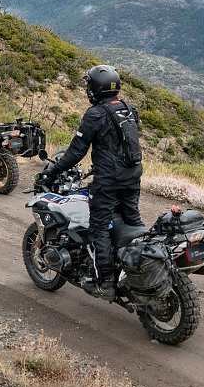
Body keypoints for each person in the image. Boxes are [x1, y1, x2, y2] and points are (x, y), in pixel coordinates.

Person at [37, 64, 143, 301]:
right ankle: (136, 268)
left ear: (96, 88)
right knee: (131, 222)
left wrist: (52, 172)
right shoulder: (128, 109)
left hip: (109, 181)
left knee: (98, 228)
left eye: (89, 84)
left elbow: (76, 153)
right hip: (133, 176)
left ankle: (105, 282)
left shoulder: (95, 114)